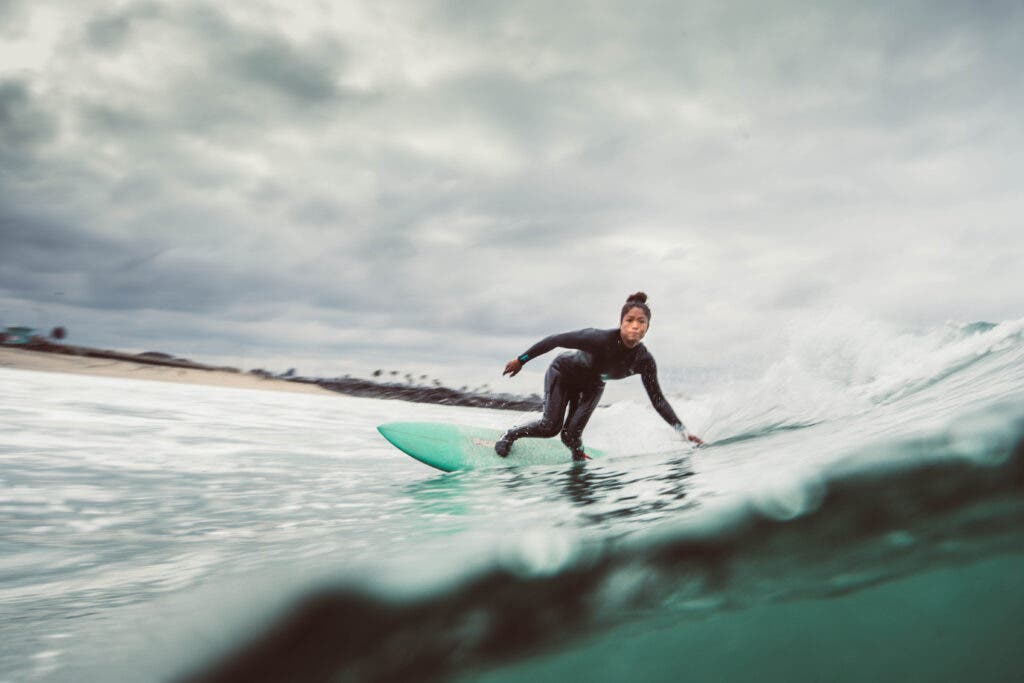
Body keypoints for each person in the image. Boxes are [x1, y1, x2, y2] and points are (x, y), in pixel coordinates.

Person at [495, 292, 703, 462]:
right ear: (621, 322)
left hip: (593, 385)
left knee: (571, 436)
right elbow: (555, 340)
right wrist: (521, 360)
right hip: (564, 373)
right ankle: (510, 434)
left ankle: (578, 457)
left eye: (641, 322)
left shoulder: (644, 361)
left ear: (647, 327)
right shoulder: (598, 339)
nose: (635, 325)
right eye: (629, 320)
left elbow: (657, 400)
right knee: (550, 427)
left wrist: (682, 431)